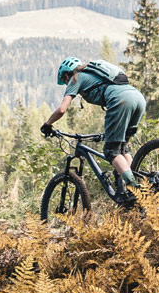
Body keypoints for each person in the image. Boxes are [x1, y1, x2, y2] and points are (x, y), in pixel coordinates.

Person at [41, 57, 147, 205]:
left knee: (111, 151)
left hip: (121, 100)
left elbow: (62, 109)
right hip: (138, 98)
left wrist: (47, 124)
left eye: (64, 80)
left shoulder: (75, 78)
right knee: (123, 148)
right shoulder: (94, 73)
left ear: (66, 75)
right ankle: (135, 188)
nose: (66, 83)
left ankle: (136, 189)